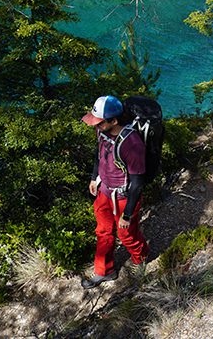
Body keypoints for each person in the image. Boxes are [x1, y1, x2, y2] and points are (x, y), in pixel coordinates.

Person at [81, 95, 149, 289]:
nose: (95, 125)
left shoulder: (132, 144)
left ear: (114, 121)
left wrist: (127, 214)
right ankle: (104, 271)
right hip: (104, 191)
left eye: (99, 122)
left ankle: (140, 260)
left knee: (127, 234)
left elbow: (137, 183)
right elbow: (99, 154)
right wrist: (94, 177)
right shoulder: (102, 131)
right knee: (103, 231)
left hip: (124, 196)